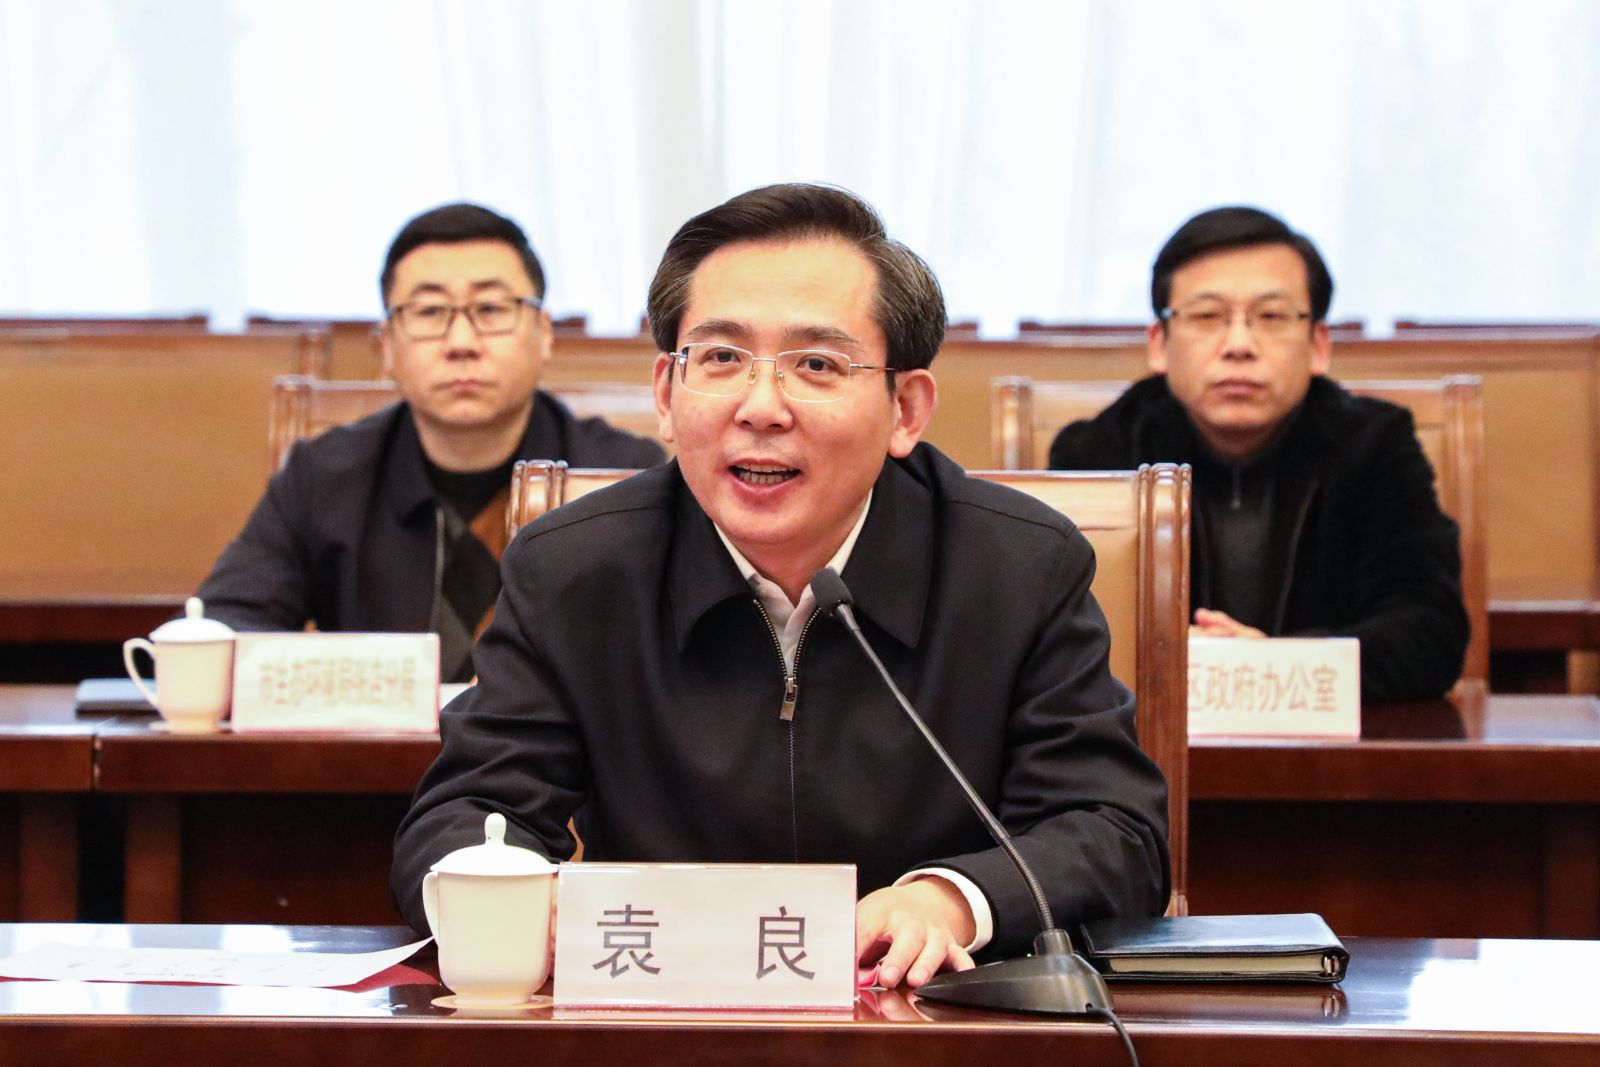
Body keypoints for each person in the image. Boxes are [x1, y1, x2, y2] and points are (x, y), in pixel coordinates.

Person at [391, 184, 1169, 989]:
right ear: (665, 396)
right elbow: (463, 815)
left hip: (931, 1022)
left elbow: (1115, 830)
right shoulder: (575, 570)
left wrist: (952, 899)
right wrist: (519, 899)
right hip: (658, 1018)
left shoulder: (1017, 567)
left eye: (817, 365)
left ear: (906, 408)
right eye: (722, 359)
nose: (761, 408)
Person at [196, 203, 664, 682]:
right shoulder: (325, 475)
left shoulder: (624, 474)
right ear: (387, 346)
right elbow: (227, 625)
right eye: (429, 312)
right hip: (377, 731)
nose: (461, 342)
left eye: (490, 309)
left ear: (544, 334)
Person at [1049, 206, 1467, 703]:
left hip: (1324, 743)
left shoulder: (1376, 446)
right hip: (1145, 741)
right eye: (1207, 316)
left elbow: (1431, 631)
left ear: (1319, 345)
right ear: (1159, 344)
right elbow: (1061, 638)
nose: (1239, 344)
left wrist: (1274, 664)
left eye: (1271, 316)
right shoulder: (1099, 452)